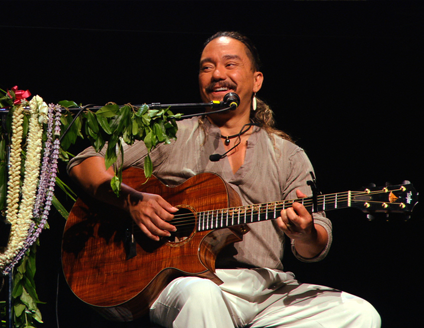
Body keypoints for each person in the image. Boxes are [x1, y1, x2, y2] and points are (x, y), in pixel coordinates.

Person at [68, 31, 381, 328]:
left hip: (268, 290)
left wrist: (304, 233)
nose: (217, 74)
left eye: (230, 64)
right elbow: (84, 162)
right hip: (185, 282)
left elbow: (314, 247)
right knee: (202, 297)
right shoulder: (170, 134)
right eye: (207, 67)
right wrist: (132, 200)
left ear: (256, 80)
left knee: (358, 315)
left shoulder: (287, 153)